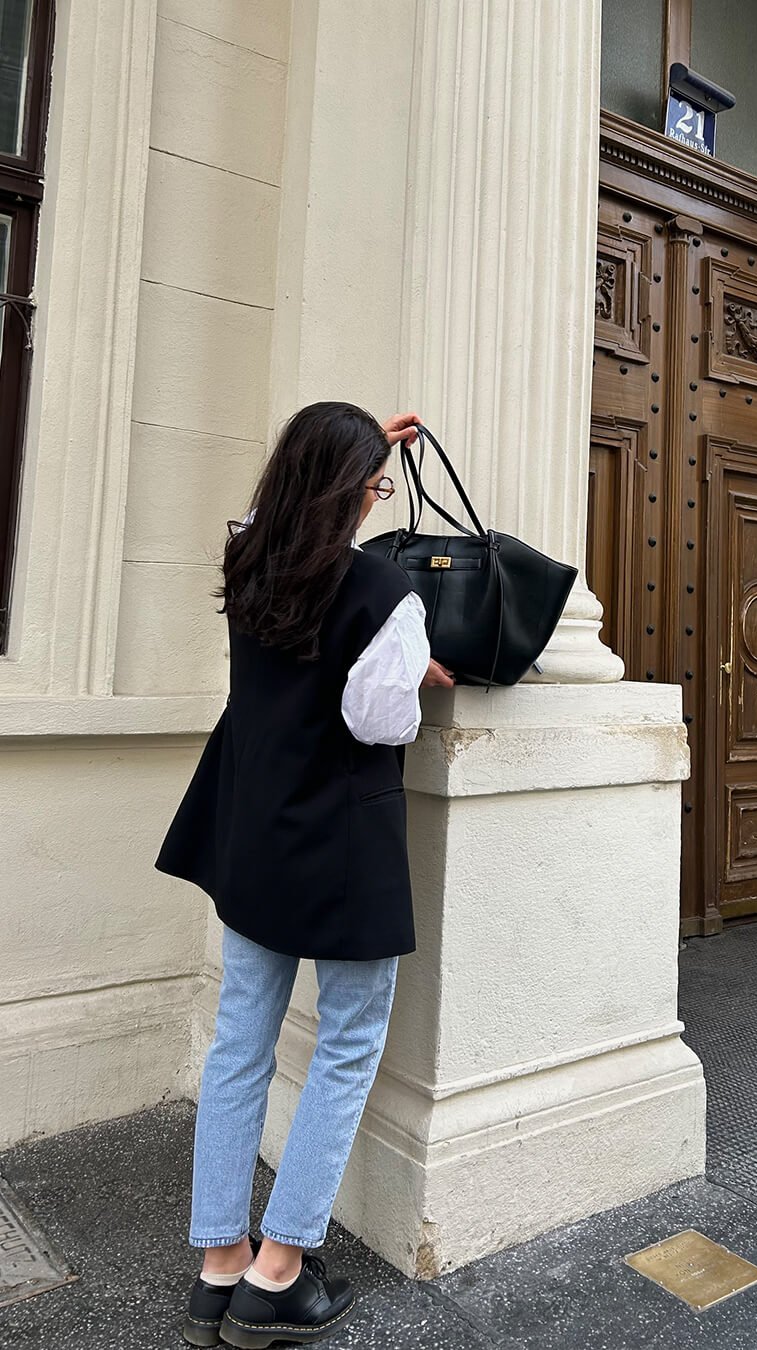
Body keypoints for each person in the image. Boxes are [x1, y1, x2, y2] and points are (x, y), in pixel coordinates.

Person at [155, 402, 453, 1348]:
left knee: (240, 1043)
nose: (377, 500)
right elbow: (378, 723)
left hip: (253, 833)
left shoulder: (249, 558)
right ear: (350, 492)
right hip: (340, 847)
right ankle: (280, 1270)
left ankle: (219, 1265)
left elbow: (277, 507)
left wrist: (354, 443)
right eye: (374, 488)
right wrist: (406, 660)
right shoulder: (384, 593)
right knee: (349, 1040)